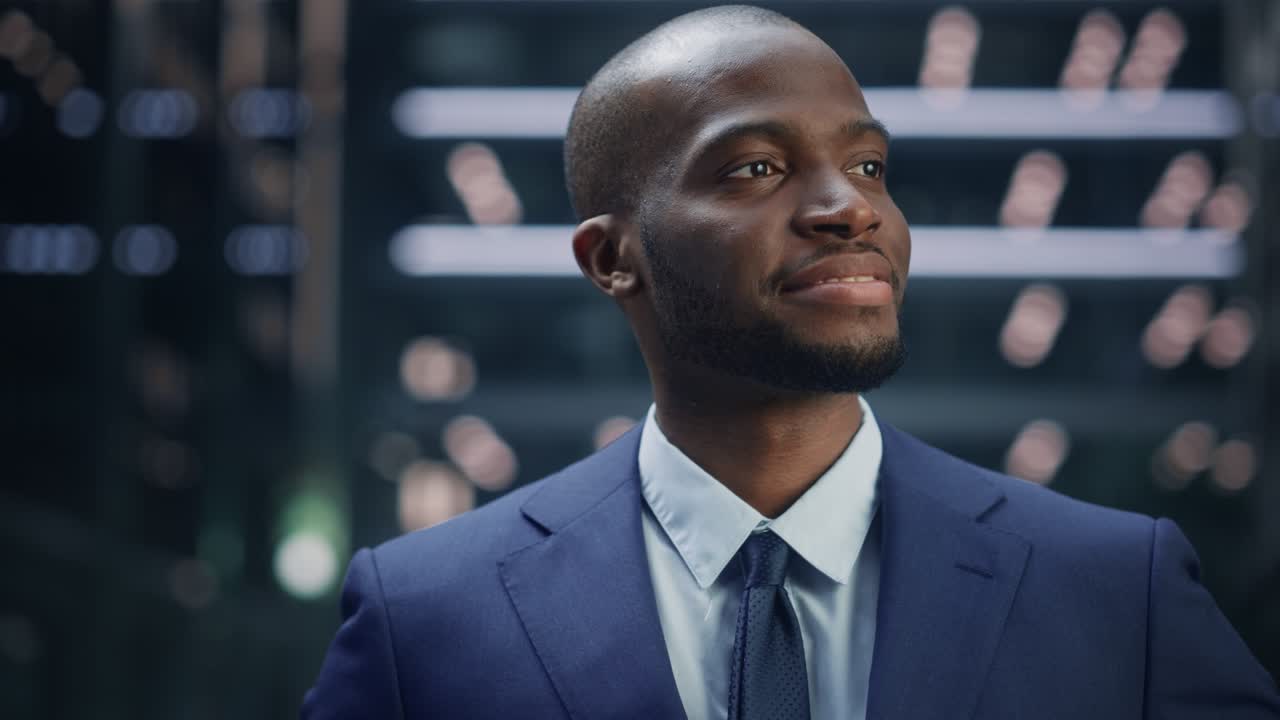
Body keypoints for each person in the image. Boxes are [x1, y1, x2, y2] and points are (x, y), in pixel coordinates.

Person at [303, 5, 1280, 719]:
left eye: (866, 168)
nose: (849, 208)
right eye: (755, 169)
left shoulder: (1118, 591)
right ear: (611, 259)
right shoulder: (424, 616)